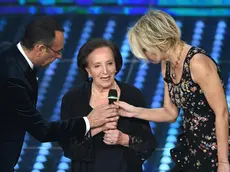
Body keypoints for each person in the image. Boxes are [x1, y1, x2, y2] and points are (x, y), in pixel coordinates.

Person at [114, 10, 230, 172]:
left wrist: (223, 162)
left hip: (216, 148)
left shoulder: (197, 63)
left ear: (156, 40)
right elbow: (170, 113)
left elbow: (222, 112)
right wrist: (133, 112)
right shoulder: (167, 65)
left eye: (145, 49)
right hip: (191, 147)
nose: (145, 57)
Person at [0, 16, 118, 172]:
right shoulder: (14, 82)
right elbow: (42, 131)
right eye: (57, 52)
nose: (59, 57)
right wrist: (88, 121)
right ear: (40, 49)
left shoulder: (7, 50)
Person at [59, 38, 156, 172]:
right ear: (88, 70)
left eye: (109, 63)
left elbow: (148, 143)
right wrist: (97, 126)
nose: (105, 71)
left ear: (116, 66)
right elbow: (68, 147)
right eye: (97, 66)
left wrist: (124, 139)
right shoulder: (72, 99)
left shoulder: (132, 95)